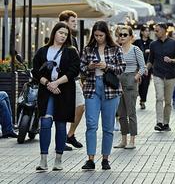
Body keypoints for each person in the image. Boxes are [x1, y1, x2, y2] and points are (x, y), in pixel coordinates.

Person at [32, 22, 80, 171]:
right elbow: (35, 71)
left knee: (60, 124)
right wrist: (48, 84)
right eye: (61, 33)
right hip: (46, 91)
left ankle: (58, 160)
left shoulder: (71, 51)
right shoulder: (42, 51)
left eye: (66, 34)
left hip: (64, 91)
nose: (63, 36)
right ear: (54, 33)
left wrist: (57, 83)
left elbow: (74, 71)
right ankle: (43, 160)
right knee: (45, 123)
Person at [80, 21, 126, 170]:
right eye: (96, 35)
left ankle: (105, 158)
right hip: (92, 88)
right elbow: (81, 68)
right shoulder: (88, 49)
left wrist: (107, 67)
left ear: (106, 34)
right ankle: (90, 159)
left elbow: (121, 69)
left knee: (108, 127)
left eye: (101, 35)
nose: (98, 38)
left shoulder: (115, 48)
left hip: (110, 90)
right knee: (91, 124)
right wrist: (90, 67)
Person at [146, 23, 175, 132]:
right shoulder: (153, 44)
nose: (155, 33)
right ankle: (159, 122)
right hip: (158, 75)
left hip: (171, 75)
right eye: (155, 31)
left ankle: (166, 123)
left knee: (167, 101)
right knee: (159, 98)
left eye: (157, 31)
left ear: (164, 31)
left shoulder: (174, 43)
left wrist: (172, 60)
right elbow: (150, 60)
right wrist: (145, 70)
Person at [114, 25, 145, 149]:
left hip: (131, 79)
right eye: (120, 34)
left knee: (131, 112)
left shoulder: (135, 49)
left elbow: (143, 67)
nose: (122, 37)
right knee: (121, 113)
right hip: (119, 80)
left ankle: (132, 140)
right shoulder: (117, 50)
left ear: (131, 37)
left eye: (125, 35)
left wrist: (136, 77)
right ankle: (123, 140)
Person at [58, 10, 85, 151]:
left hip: (73, 78)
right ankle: (62, 140)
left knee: (80, 106)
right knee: (62, 112)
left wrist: (79, 77)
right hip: (61, 80)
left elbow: (76, 61)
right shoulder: (58, 38)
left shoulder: (73, 39)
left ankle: (70, 134)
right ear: (65, 22)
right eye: (73, 21)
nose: (75, 23)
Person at [133, 25, 153, 109]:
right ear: (142, 32)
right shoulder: (137, 42)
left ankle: (142, 100)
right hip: (137, 67)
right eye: (145, 31)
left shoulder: (151, 42)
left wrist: (150, 51)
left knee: (145, 84)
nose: (147, 32)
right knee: (138, 83)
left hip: (147, 67)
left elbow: (154, 54)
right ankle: (137, 97)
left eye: (148, 31)